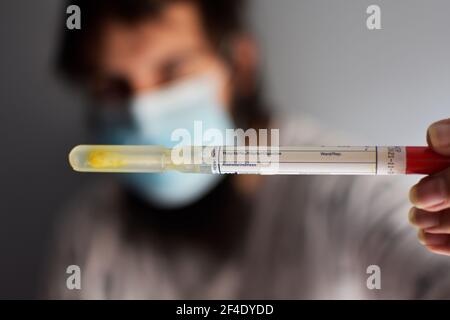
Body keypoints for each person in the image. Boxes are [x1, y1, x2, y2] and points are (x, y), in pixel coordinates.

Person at [46, 0, 450, 299]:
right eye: (114, 87)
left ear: (239, 63)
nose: (143, 112)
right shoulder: (92, 237)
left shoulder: (343, 192)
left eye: (172, 71)